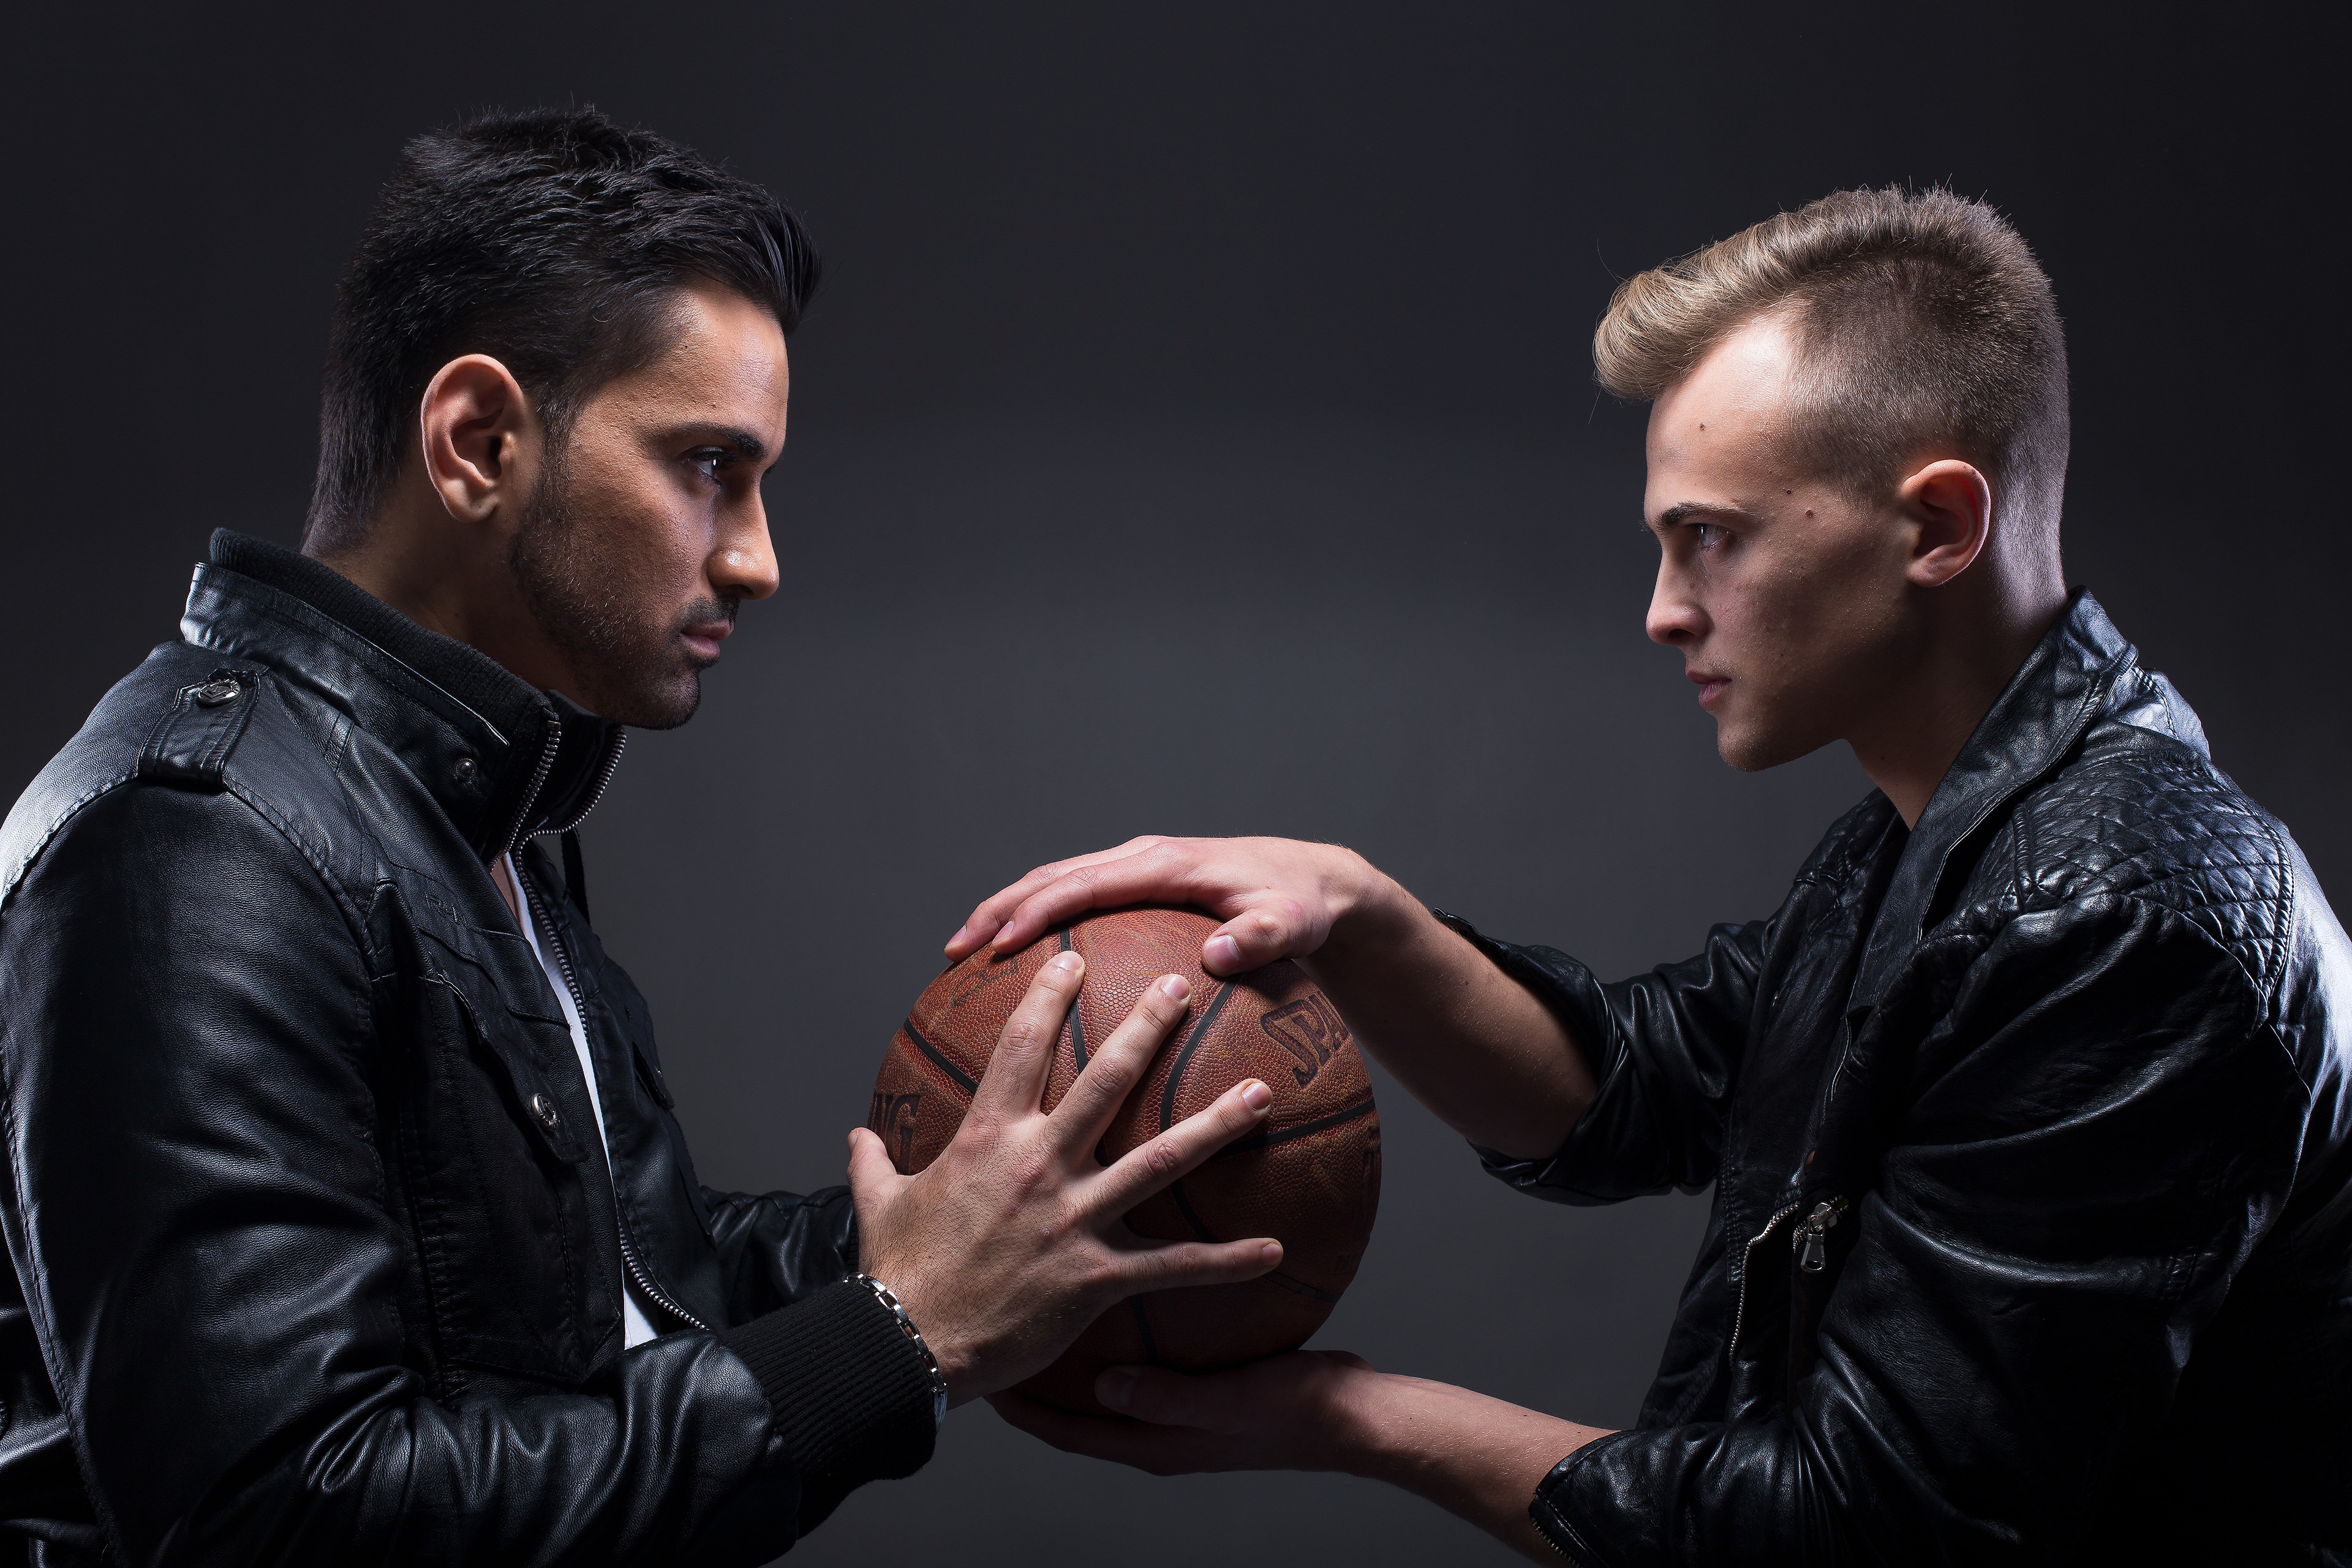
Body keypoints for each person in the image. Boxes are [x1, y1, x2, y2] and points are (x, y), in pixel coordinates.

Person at [962, 188, 2352, 1564]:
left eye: (1712, 537)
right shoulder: (1951, 833)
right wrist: (1358, 913)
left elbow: (1869, 1535)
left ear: (1936, 525)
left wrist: (1350, 1415)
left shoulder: (2108, 922)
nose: (1662, 607)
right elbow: (1637, 1088)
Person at [0, 108, 1287, 1564]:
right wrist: (898, 1329)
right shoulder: (199, 844)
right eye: (707, 468)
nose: (757, 557)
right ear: (479, 440)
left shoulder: (473, 801)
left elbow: (595, 1298)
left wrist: (982, 1223)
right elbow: (289, 1516)